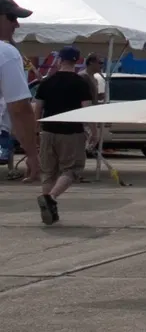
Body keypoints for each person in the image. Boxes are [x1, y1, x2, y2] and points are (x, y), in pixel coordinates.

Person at [33, 46, 95, 224]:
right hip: (71, 132)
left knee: (48, 172)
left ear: (59, 60)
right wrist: (94, 131)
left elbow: (38, 107)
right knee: (72, 169)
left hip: (47, 131)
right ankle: (51, 197)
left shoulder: (47, 82)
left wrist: (36, 130)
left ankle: (49, 210)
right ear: (77, 61)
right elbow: (86, 109)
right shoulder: (81, 83)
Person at [0, 0, 41, 185]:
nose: (16, 25)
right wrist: (32, 154)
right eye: (12, 18)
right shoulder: (6, 53)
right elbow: (19, 108)